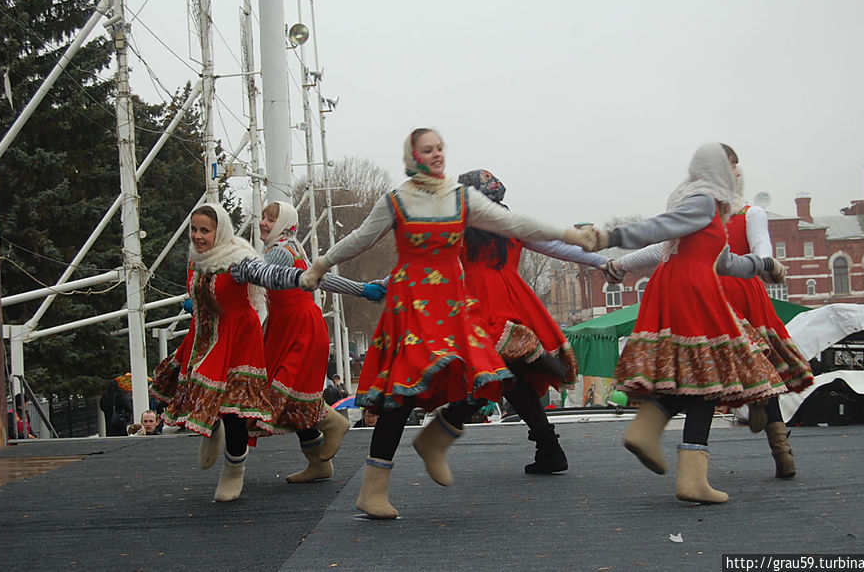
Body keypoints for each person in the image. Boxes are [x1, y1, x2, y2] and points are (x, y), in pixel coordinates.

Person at [299, 128, 596, 518]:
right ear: (413, 155)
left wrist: (570, 234)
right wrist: (321, 264)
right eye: (428, 149)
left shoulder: (462, 198)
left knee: (486, 375)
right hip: (412, 305)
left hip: (454, 306)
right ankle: (374, 490)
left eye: (440, 148)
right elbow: (361, 238)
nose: (437, 154)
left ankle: (435, 441)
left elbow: (519, 224)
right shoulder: (397, 199)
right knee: (402, 393)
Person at [588, 143, 789, 504]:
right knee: (709, 376)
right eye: (730, 167)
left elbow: (725, 260)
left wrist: (764, 265)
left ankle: (653, 433)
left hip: (683, 284)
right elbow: (658, 229)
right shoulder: (703, 201)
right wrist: (611, 239)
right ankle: (685, 469)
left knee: (700, 379)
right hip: (695, 290)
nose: (736, 174)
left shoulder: (708, 208)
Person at [151, 202, 312, 502]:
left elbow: (270, 275)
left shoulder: (236, 260)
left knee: (234, 409)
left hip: (238, 340)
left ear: (220, 231)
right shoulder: (196, 260)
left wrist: (302, 278)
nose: (198, 237)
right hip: (206, 335)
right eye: (194, 230)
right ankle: (211, 429)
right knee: (198, 394)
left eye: (205, 231)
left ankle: (234, 470)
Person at [457, 169, 610, 474]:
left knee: (483, 375)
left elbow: (426, 264)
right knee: (512, 382)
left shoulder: (460, 229)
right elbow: (558, 248)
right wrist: (606, 263)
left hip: (479, 303)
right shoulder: (510, 225)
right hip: (516, 298)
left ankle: (533, 357)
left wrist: (382, 286)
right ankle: (549, 449)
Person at [256, 200, 384, 484]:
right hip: (298, 325)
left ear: (283, 225)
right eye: (263, 217)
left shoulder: (278, 252)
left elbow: (256, 280)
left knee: (280, 394)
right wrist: (362, 289)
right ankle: (318, 465)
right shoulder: (294, 248)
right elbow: (322, 280)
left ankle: (332, 421)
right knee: (290, 397)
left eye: (270, 219)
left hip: (295, 329)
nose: (263, 222)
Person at [720, 168, 813, 478]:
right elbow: (763, 253)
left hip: (715, 293)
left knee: (707, 370)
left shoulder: (703, 217)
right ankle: (782, 452)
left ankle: (693, 461)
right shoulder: (750, 213)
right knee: (761, 368)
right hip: (746, 291)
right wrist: (771, 266)